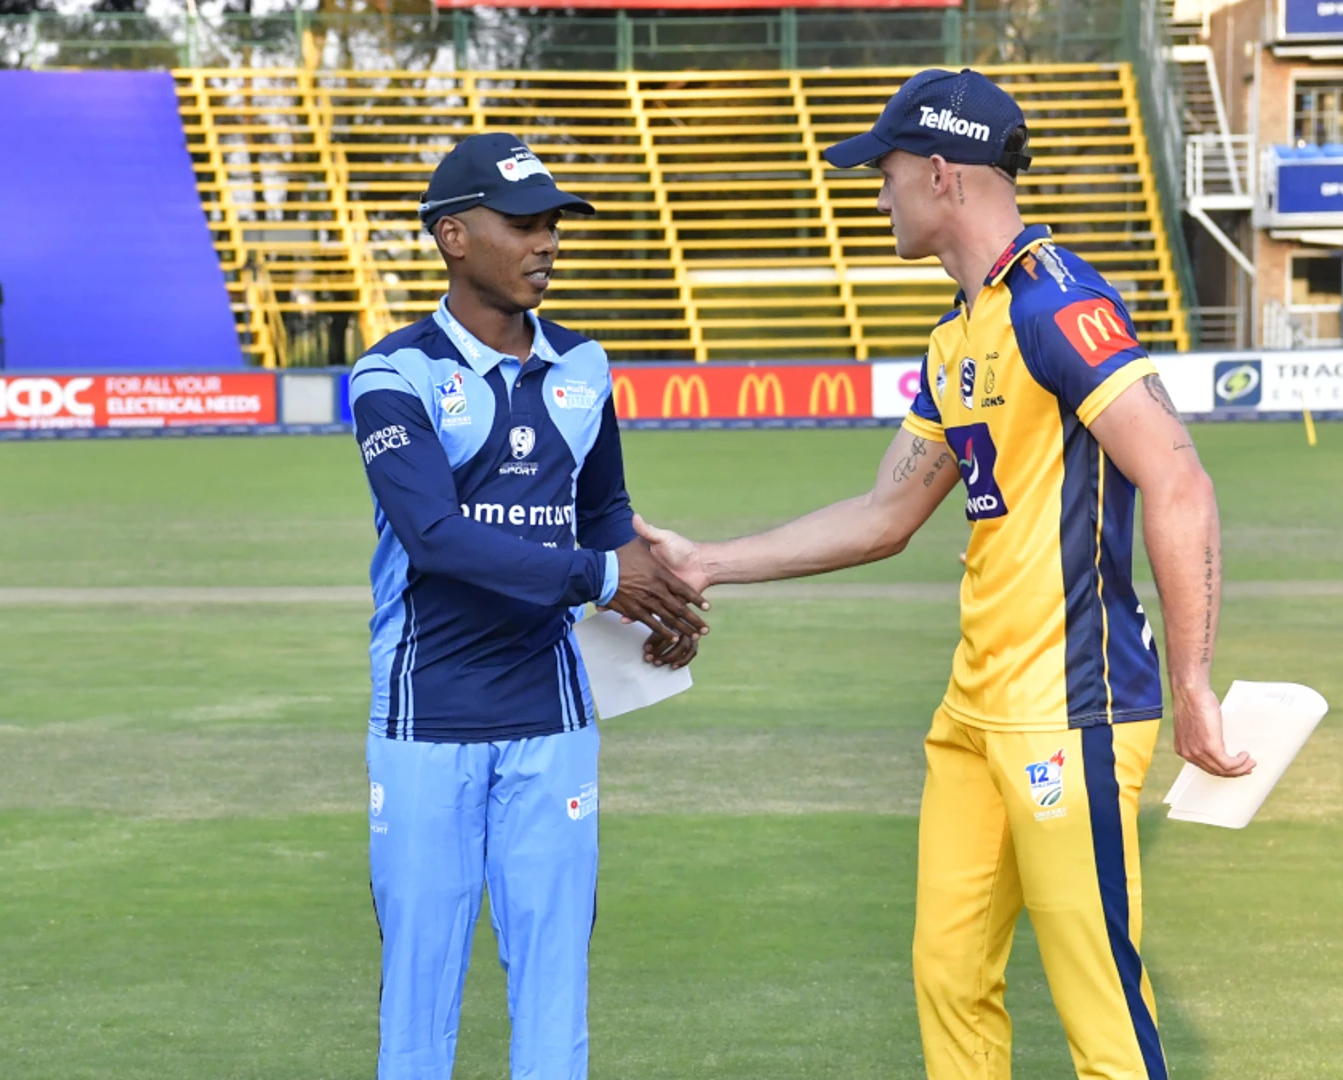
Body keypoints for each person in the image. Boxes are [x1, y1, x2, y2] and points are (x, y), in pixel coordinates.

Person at [632, 70, 1255, 1080]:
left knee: (1099, 998)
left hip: (1072, 704)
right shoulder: (959, 331)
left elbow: (1178, 480)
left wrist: (1191, 682)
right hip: (972, 715)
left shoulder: (1060, 302)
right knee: (949, 979)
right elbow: (886, 516)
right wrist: (707, 562)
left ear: (938, 172)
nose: (877, 196)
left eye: (883, 175)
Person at [349, 132, 708, 1080]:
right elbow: (436, 538)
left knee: (554, 992)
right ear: (453, 235)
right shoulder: (395, 376)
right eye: (523, 224)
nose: (546, 242)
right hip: (429, 717)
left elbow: (606, 518)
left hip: (553, 721)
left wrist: (657, 603)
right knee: (420, 1000)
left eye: (553, 223)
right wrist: (601, 579)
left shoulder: (585, 368)